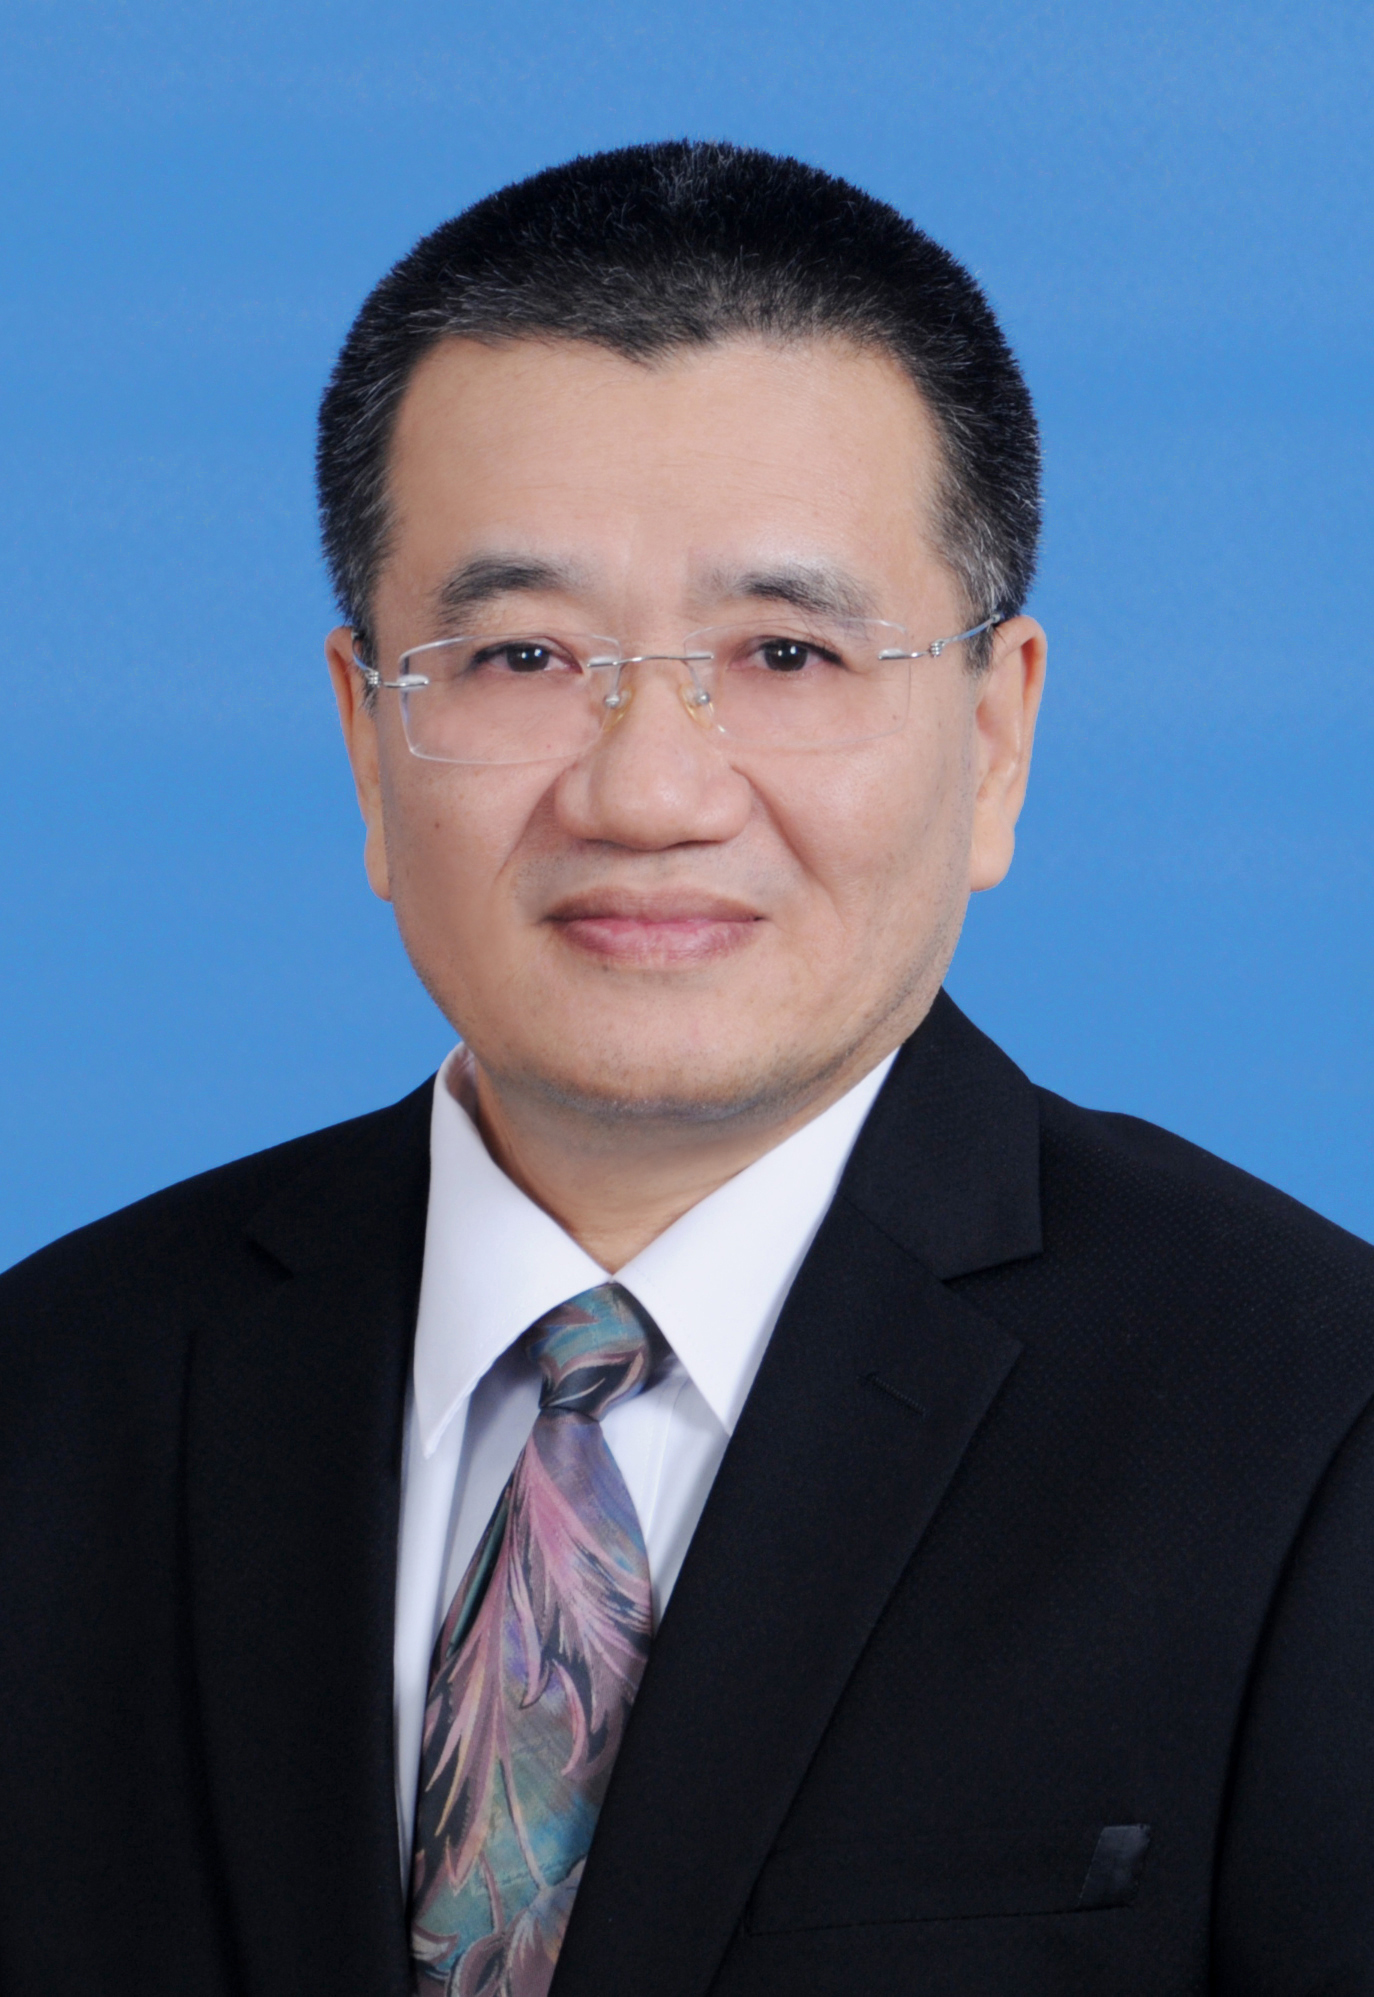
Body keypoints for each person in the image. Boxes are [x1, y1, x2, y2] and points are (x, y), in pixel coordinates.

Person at [2, 139, 1373, 1997]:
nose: (646, 791)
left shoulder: (1310, 1424)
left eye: (786, 651)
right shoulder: (53, 1396)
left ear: (994, 735)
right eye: (518, 654)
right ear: (365, 738)